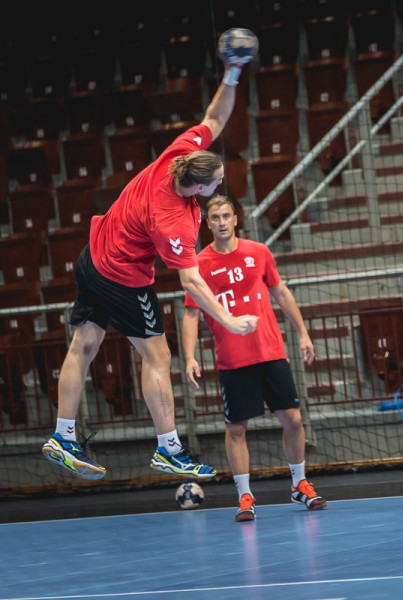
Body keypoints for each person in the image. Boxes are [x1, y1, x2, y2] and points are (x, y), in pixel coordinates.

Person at [42, 49, 259, 481]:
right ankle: (169, 449)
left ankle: (62, 436)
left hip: (92, 257)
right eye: (217, 181)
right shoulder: (174, 220)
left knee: (84, 345)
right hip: (122, 277)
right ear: (198, 187)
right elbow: (192, 282)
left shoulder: (179, 154)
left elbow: (215, 118)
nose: (222, 182)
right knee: (157, 354)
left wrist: (232, 73)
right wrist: (229, 320)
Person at [181, 195, 326, 522]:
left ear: (236, 219)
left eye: (226, 216)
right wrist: (189, 357)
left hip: (270, 352)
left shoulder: (259, 252)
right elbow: (191, 314)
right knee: (236, 428)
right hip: (233, 359)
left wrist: (303, 333)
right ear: (207, 223)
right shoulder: (199, 265)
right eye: (215, 217)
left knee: (293, 419)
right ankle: (245, 495)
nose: (221, 222)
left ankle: (299, 484)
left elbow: (281, 293)